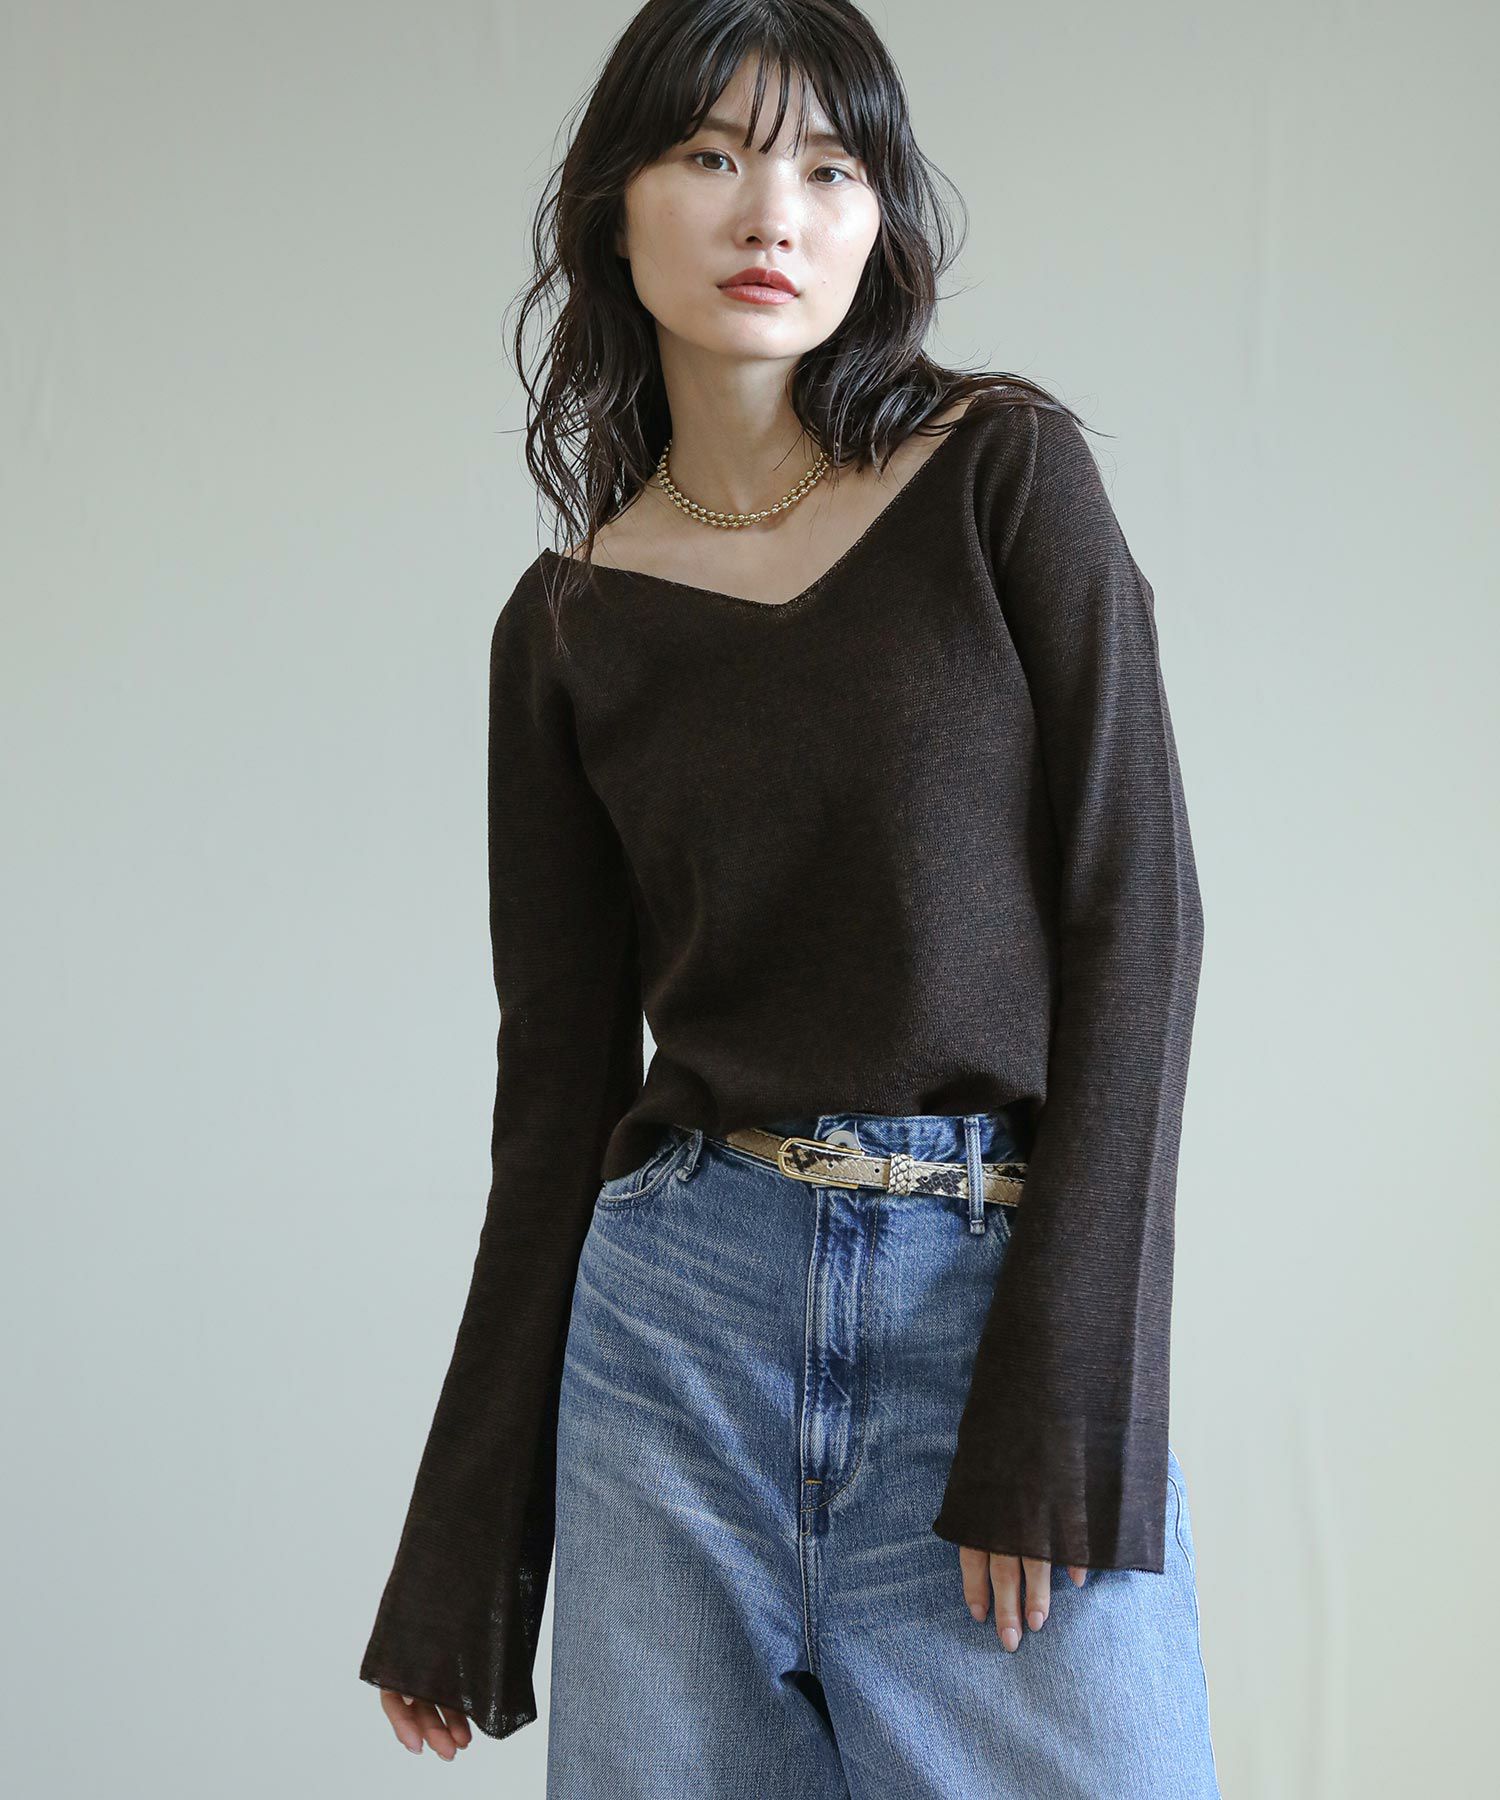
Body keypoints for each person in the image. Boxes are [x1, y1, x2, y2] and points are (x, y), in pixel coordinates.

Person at [360, 3, 1220, 1794]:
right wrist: (464, 1545)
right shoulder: (569, 626)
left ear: (880, 219)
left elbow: (1136, 922)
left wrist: (1071, 1390)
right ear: (614, 208)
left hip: (979, 1300)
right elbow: (558, 1099)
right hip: (673, 1341)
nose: (775, 213)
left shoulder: (1004, 477)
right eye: (714, 155)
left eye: (832, 168)